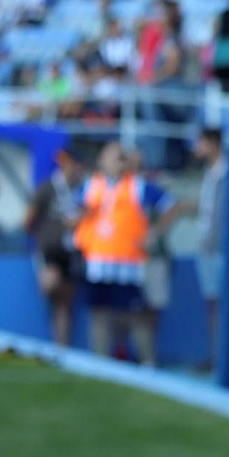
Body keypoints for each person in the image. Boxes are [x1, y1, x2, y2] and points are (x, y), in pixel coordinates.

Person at [73, 140, 181, 365]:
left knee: (135, 316)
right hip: (97, 263)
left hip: (128, 265)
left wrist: (154, 233)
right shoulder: (91, 185)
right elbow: (74, 214)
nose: (118, 161)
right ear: (101, 160)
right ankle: (100, 364)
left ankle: (147, 363)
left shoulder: (138, 185)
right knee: (99, 313)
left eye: (122, 157)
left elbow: (172, 206)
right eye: (113, 156)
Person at [23, 150, 87, 345]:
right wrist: (44, 236)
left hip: (72, 252)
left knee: (65, 304)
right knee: (51, 287)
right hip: (50, 251)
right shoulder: (47, 188)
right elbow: (27, 220)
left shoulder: (82, 191)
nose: (78, 171)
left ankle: (62, 348)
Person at [194, 128, 228, 365]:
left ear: (213, 144)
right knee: (212, 304)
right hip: (208, 247)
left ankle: (221, 355)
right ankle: (215, 353)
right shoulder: (210, 173)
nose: (197, 147)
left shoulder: (228, 172)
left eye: (201, 142)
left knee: (221, 303)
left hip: (222, 249)